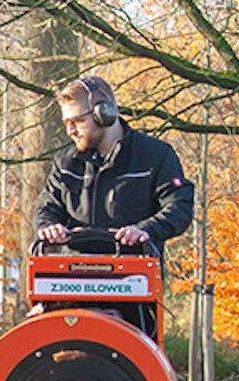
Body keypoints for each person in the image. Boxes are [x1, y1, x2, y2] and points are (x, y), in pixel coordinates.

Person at [31, 76, 194, 258]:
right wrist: (48, 226)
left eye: (77, 121)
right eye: (66, 123)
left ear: (105, 114)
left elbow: (180, 206)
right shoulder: (66, 163)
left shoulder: (155, 156)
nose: (70, 131)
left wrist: (146, 231)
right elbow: (47, 205)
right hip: (73, 277)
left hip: (134, 273)